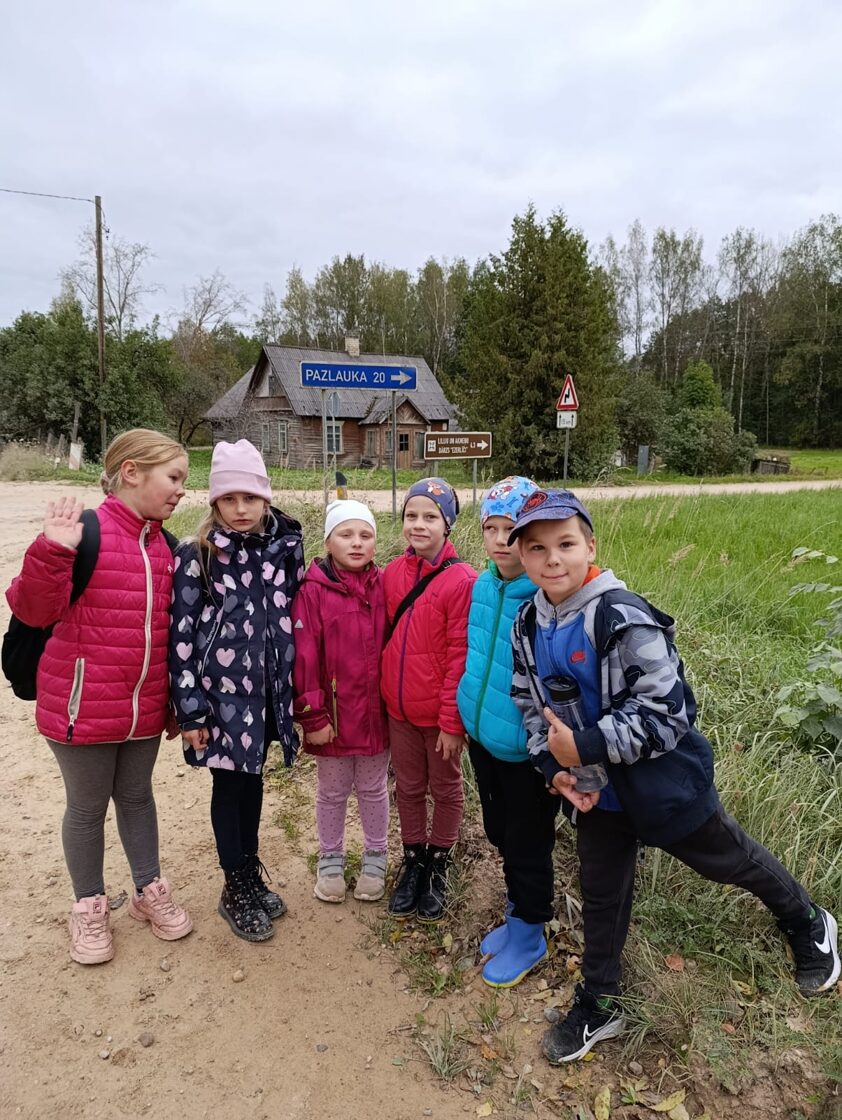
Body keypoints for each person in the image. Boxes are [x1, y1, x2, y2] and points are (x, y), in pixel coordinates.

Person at [508, 487, 840, 1064]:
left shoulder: (622, 616)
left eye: (565, 543)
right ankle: (602, 1001)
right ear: (522, 556)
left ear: (591, 546)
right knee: (602, 891)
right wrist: (555, 768)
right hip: (596, 794)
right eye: (536, 548)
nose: (552, 558)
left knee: (728, 859)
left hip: (662, 785)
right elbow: (530, 703)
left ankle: (809, 921)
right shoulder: (526, 623)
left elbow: (667, 713)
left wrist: (583, 745)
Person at [6, 429, 193, 965]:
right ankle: (89, 905)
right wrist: (51, 551)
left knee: (137, 798)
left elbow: (172, 635)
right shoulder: (83, 533)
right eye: (174, 477)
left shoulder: (166, 547)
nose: (182, 489)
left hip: (143, 708)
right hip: (80, 706)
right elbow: (33, 610)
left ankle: (148, 889)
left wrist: (173, 702)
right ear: (131, 472)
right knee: (87, 808)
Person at [457, 476, 590, 988]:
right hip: (483, 737)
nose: (498, 540)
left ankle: (530, 930)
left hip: (527, 750)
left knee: (528, 842)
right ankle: (517, 911)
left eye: (509, 530)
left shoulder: (544, 597)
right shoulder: (482, 585)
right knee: (498, 830)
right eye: (489, 528)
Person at [169, 439, 304, 942]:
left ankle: (249, 870)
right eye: (229, 499)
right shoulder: (198, 555)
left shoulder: (284, 547)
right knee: (229, 786)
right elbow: (181, 637)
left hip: (268, 695)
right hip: (219, 700)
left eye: (250, 497)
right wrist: (191, 711)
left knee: (253, 781)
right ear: (215, 502)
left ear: (265, 497)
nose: (241, 509)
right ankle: (234, 885)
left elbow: (294, 613)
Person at [381, 478, 477, 922]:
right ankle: (413, 857)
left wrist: (452, 722)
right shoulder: (392, 574)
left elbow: (460, 655)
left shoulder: (462, 581)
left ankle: (439, 861)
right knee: (408, 787)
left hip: (439, 718)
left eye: (430, 517)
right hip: (399, 711)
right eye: (411, 516)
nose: (418, 525)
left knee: (445, 788)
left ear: (447, 524)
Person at [292, 499, 390, 904]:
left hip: (376, 717)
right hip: (332, 717)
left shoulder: (385, 586)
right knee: (332, 792)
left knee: (373, 788)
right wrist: (313, 715)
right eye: (346, 534)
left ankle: (376, 854)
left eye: (365, 535)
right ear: (328, 542)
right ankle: (330, 856)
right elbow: (303, 656)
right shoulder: (311, 592)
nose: (357, 543)